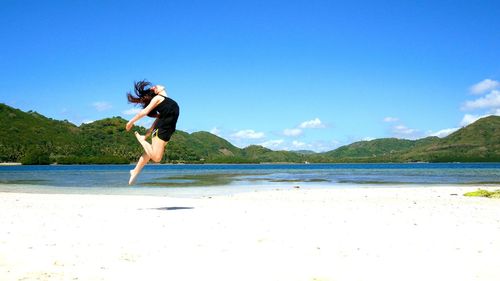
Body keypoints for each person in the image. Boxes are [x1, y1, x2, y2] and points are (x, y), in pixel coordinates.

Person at [125, 80, 180, 185]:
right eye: (154, 87)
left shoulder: (167, 101)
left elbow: (157, 119)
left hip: (167, 132)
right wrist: (131, 122)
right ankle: (141, 140)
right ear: (157, 91)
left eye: (154, 86)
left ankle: (135, 171)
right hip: (161, 131)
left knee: (149, 153)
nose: (154, 86)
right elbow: (144, 112)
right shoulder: (158, 98)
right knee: (156, 158)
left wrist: (147, 134)